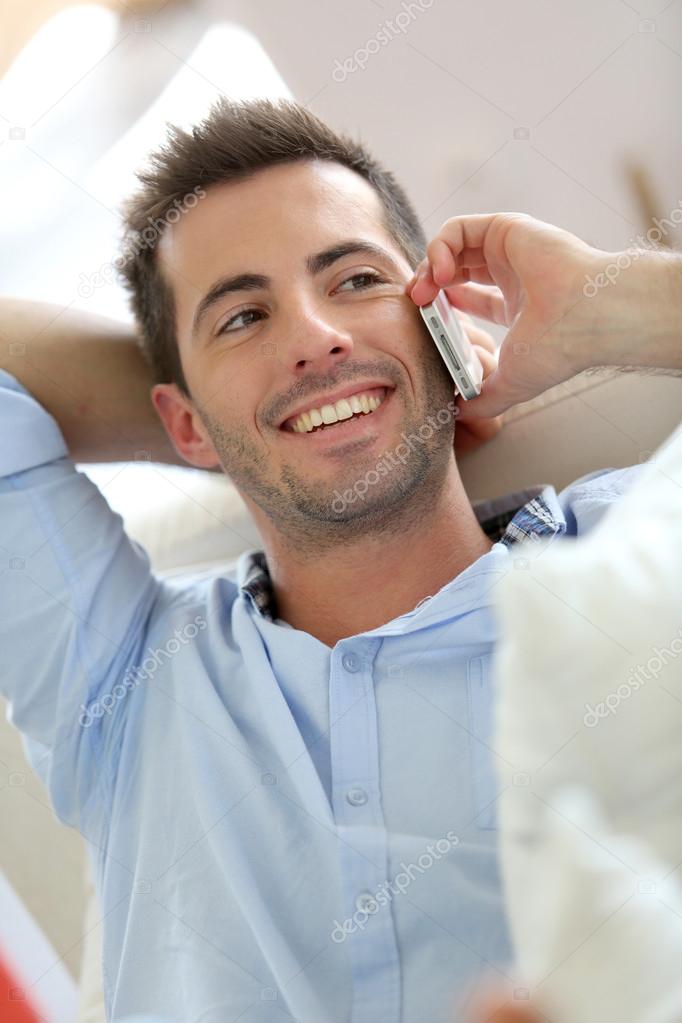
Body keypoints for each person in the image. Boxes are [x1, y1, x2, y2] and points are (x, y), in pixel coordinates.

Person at [0, 96, 679, 1023]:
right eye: (241, 315)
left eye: (355, 280)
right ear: (180, 422)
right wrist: (246, 422)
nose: (317, 334)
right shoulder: (119, 676)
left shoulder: (636, 551)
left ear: (441, 324)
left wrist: (612, 310)